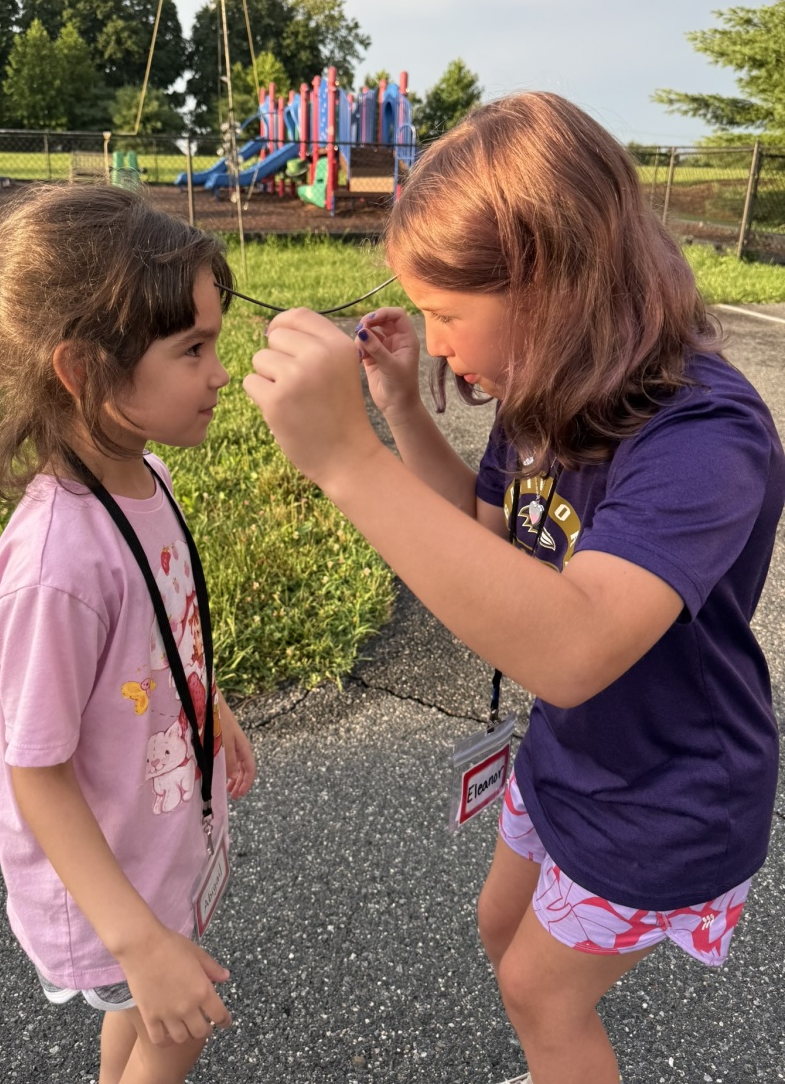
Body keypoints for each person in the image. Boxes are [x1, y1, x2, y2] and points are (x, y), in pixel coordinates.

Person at [243, 92, 785, 1084]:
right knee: (503, 927)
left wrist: (348, 463)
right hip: (571, 752)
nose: (439, 340)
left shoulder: (703, 435)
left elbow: (574, 648)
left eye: (450, 314)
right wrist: (402, 408)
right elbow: (484, 532)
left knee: (540, 992)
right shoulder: (545, 393)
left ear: (554, 285)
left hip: (670, 786)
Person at [0, 185, 256, 1084]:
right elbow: (36, 770)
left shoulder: (149, 479)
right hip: (107, 886)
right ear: (84, 369)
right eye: (193, 349)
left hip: (154, 830)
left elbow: (162, 629)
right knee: (180, 1021)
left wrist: (210, 705)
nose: (220, 372)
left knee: (142, 1021)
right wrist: (139, 939)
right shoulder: (56, 564)